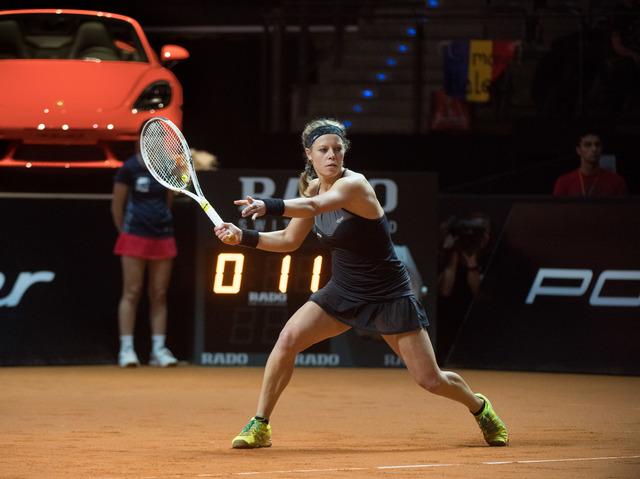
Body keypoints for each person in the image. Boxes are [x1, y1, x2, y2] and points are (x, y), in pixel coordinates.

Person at [213, 118, 509, 449]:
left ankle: (479, 407)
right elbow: (288, 240)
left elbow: (314, 206)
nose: (331, 155)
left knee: (430, 379)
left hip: (389, 294)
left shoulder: (355, 185)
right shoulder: (312, 188)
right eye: (323, 150)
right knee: (288, 339)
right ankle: (260, 424)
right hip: (343, 290)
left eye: (337, 149)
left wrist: (267, 205)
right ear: (309, 154)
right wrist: (243, 237)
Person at [111, 152, 179, 368]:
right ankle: (126, 349)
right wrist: (125, 232)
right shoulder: (129, 168)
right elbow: (117, 205)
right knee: (132, 292)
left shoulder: (166, 167)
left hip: (162, 235)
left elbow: (168, 201)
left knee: (159, 293)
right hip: (134, 236)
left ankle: (158, 350)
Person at [553, 131, 628, 197]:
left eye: (597, 145)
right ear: (578, 150)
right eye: (588, 145)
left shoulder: (616, 181)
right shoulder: (564, 182)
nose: (594, 149)